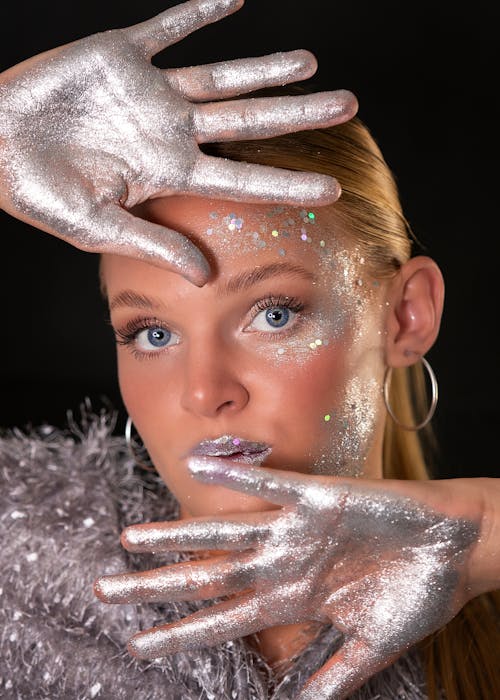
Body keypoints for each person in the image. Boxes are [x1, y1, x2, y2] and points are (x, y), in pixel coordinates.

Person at [0, 1, 498, 699]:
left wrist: (481, 537)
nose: (205, 392)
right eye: (153, 333)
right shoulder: (16, 564)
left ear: (407, 315)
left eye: (272, 314)